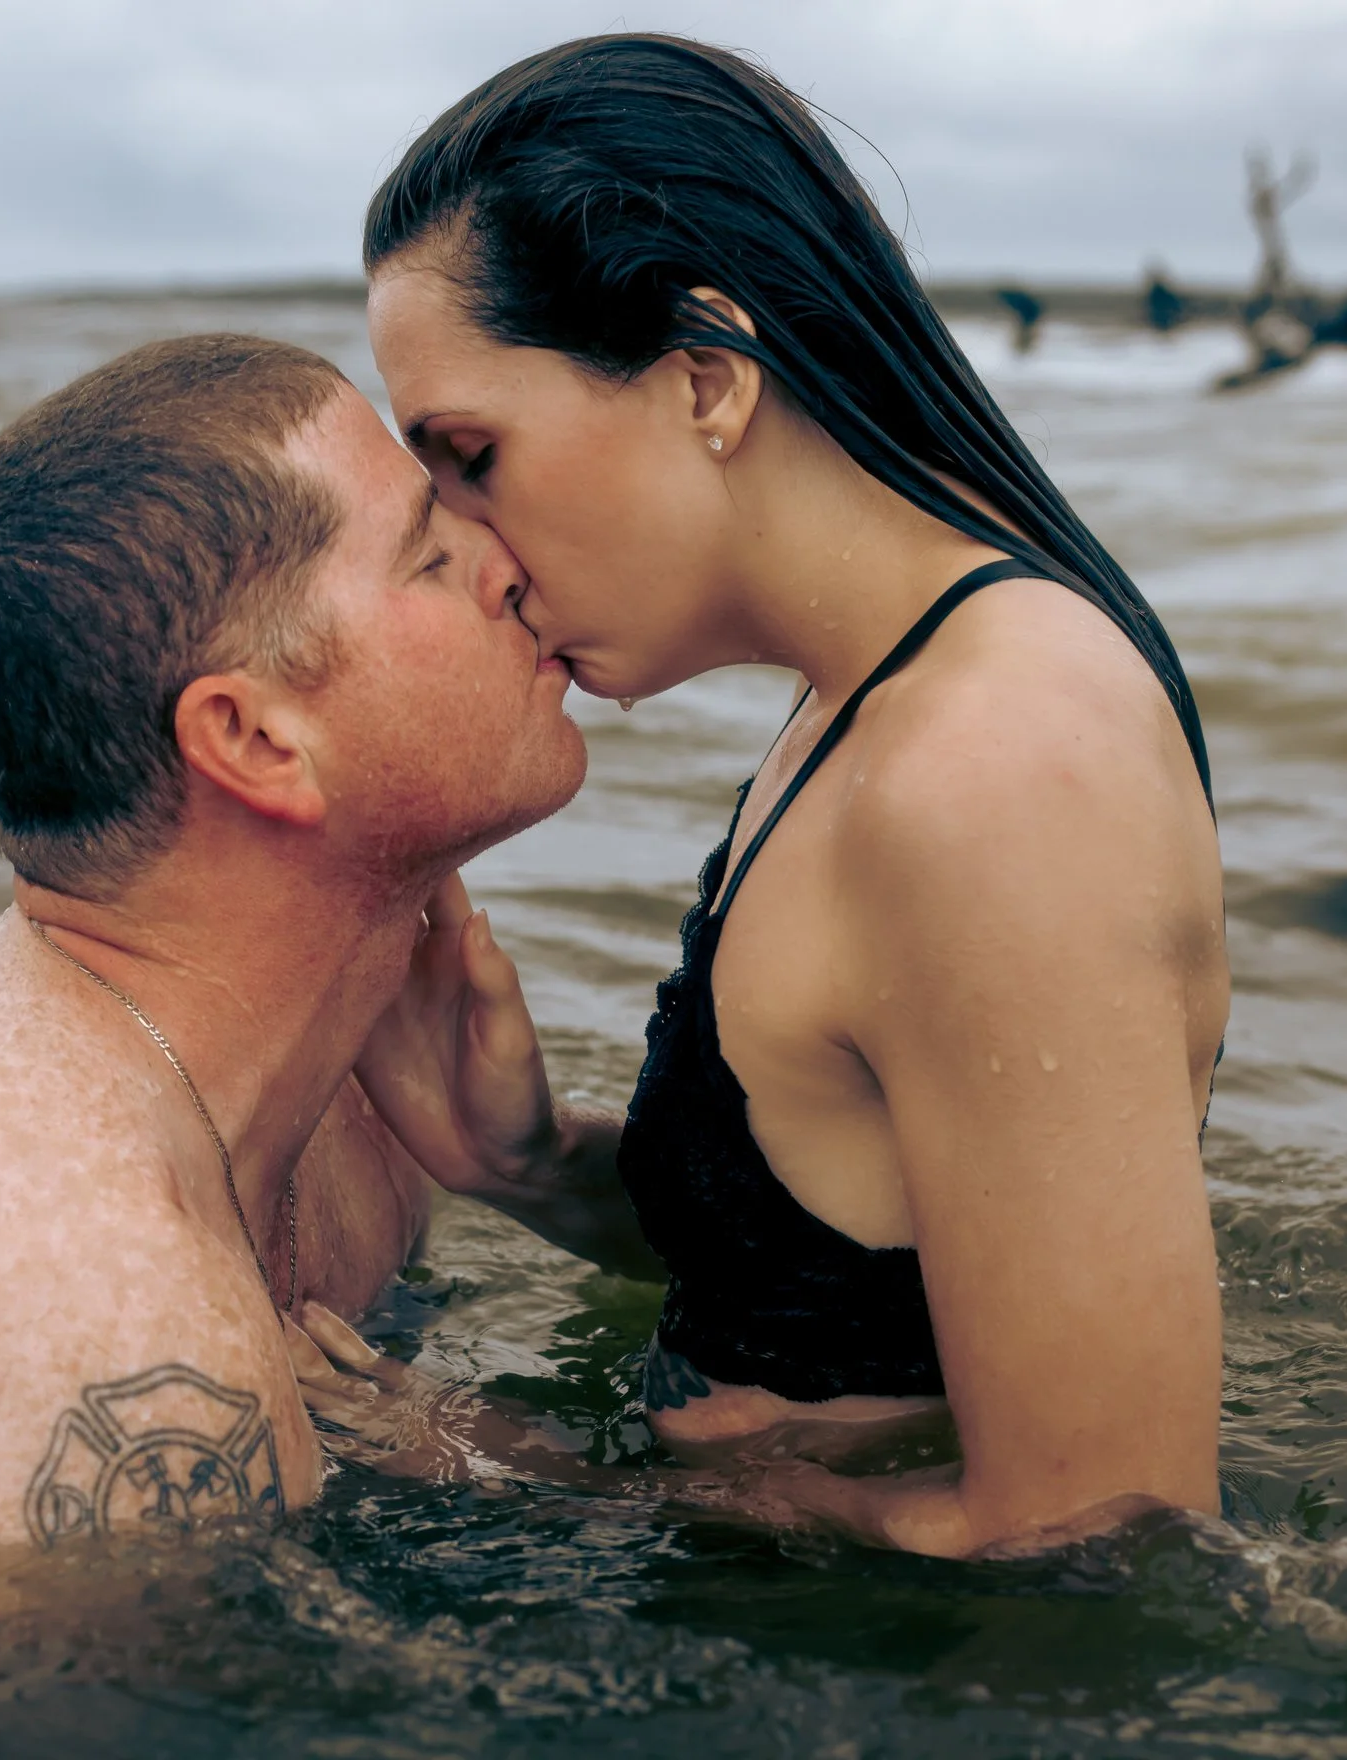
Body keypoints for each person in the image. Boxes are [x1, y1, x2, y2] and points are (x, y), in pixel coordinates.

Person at [348, 35, 1231, 1558]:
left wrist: (524, 1475)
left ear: (704, 377)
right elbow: (854, 1263)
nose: (474, 551)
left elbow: (1102, 1527)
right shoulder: (880, 693)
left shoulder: (995, 772)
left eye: (474, 458)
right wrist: (531, 1165)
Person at [0, 333, 588, 1547]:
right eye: (431, 553)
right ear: (253, 740)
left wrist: (533, 1171)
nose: (508, 563)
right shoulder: (109, 1319)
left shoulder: (358, 1094)